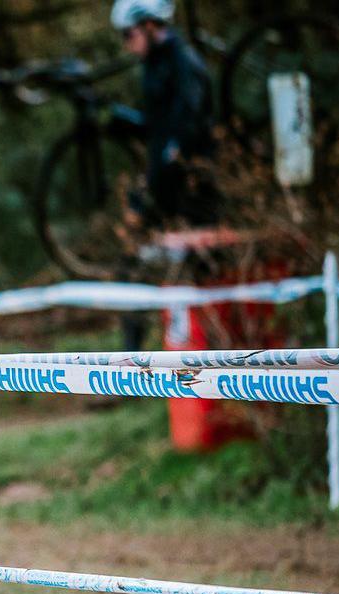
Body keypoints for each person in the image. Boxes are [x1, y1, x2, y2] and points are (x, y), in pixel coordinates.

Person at [111, 0, 221, 350]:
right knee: (130, 266)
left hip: (192, 195)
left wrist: (148, 197)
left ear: (148, 26)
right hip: (166, 189)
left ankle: (221, 378)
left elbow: (183, 135)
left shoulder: (183, 63)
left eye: (128, 34)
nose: (127, 43)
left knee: (204, 279)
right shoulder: (155, 65)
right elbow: (158, 133)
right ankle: (130, 366)